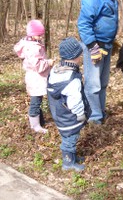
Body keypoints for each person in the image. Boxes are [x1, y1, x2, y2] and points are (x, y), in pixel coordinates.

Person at [77, 0, 122, 124]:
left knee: (103, 82)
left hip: (107, 44)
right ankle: (94, 118)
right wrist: (92, 46)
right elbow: (83, 24)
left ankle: (100, 111)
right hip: (95, 46)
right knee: (93, 83)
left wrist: (111, 38)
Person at [47, 37, 91, 171]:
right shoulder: (72, 80)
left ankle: (72, 156)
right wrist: (80, 114)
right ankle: (68, 162)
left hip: (59, 113)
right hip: (70, 117)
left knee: (68, 137)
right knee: (70, 139)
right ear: (76, 57)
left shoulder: (57, 70)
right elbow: (75, 101)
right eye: (80, 56)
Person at [14, 19, 54, 133]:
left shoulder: (31, 44)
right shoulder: (32, 48)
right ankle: (35, 126)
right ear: (32, 34)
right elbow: (38, 66)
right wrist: (48, 62)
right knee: (36, 102)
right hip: (36, 79)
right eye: (39, 35)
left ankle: (39, 121)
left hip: (35, 78)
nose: (41, 37)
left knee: (38, 100)